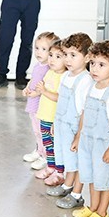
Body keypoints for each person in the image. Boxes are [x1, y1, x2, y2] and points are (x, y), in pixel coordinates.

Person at [71, 41, 109, 217]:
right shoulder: (92, 86)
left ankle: (102, 213)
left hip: (104, 144)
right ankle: (93, 207)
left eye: (101, 65)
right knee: (91, 176)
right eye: (93, 63)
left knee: (105, 179)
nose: (94, 68)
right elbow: (85, 113)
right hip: (88, 140)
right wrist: (79, 136)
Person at [46, 33, 93, 210]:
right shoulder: (66, 76)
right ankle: (67, 185)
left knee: (78, 162)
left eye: (73, 55)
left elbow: (84, 112)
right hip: (62, 125)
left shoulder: (85, 81)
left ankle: (77, 194)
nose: (68, 59)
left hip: (75, 129)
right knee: (68, 160)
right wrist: (55, 125)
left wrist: (79, 136)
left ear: (87, 57)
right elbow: (61, 103)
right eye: (66, 54)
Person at [21, 31, 60, 171]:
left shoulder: (50, 69)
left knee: (42, 131)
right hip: (33, 102)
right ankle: (39, 150)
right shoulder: (38, 66)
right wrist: (27, 88)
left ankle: (45, 155)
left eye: (44, 49)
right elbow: (33, 79)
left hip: (40, 105)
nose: (38, 52)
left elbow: (46, 84)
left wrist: (36, 92)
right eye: (36, 48)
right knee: (36, 131)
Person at [35, 40, 67, 185]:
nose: (52, 59)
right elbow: (42, 91)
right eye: (51, 55)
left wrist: (44, 91)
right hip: (44, 116)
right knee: (47, 144)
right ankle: (50, 167)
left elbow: (60, 98)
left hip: (54, 119)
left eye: (58, 56)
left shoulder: (64, 77)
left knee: (56, 146)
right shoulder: (50, 72)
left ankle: (59, 172)